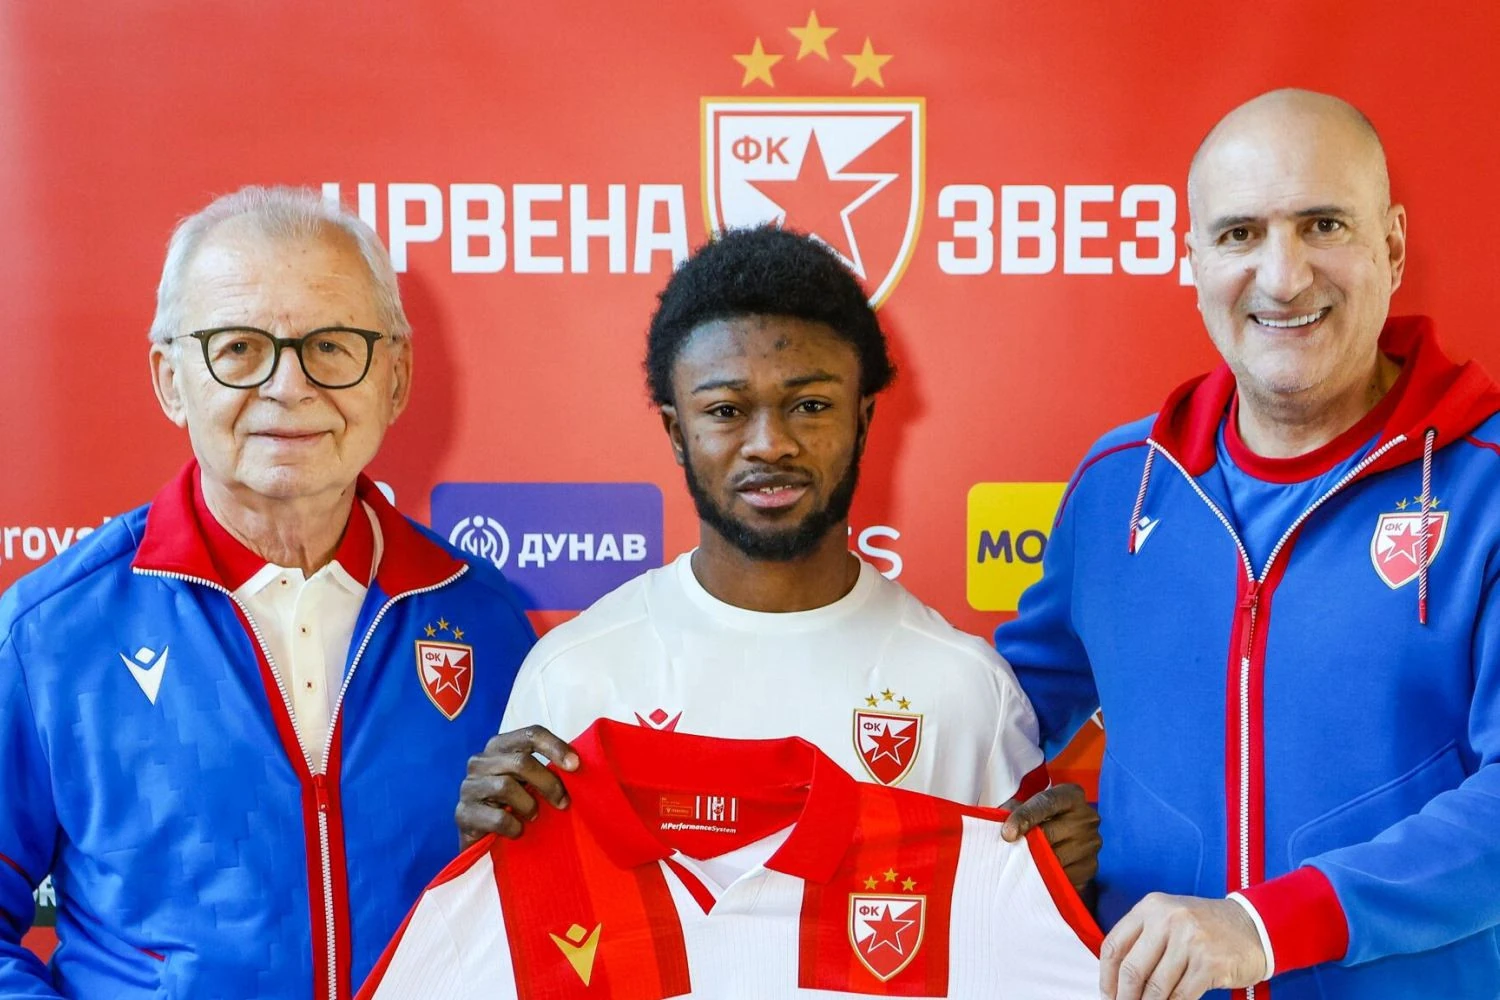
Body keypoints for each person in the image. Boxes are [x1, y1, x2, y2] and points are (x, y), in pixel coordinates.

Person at [996, 89, 1500, 1000]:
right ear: (1193, 260)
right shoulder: (1118, 485)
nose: (1283, 276)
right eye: (1240, 235)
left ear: (1392, 246)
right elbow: (998, 718)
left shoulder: (1487, 484)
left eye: (1322, 225)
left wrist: (1268, 926)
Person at [0, 186, 535, 998]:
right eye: (240, 348)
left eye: (332, 345)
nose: (289, 386)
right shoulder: (51, 634)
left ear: (395, 377)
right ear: (170, 379)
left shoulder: (488, 623)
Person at [454, 226, 1101, 888]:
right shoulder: (574, 676)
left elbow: (1009, 930)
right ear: (677, 431)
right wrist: (489, 862)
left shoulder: (966, 690)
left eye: (810, 405)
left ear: (862, 420)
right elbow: (531, 926)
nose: (770, 443)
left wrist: (1059, 886)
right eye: (726, 410)